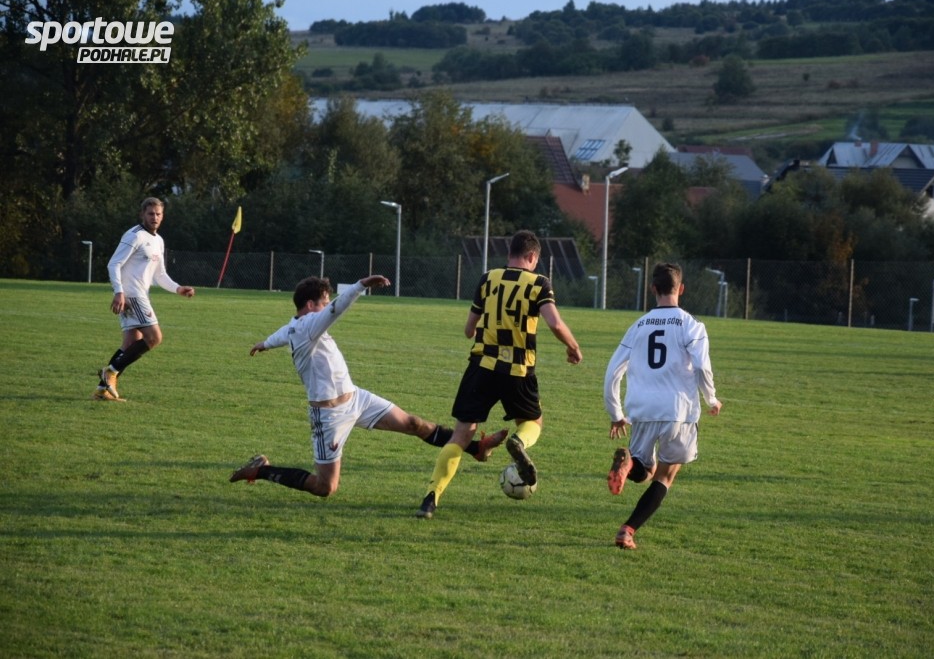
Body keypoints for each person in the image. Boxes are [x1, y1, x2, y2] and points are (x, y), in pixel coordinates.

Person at [230, 275, 506, 498]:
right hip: (329, 415)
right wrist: (361, 285)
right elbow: (337, 308)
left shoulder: (296, 327)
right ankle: (261, 470)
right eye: (323, 302)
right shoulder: (308, 326)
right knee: (325, 487)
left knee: (413, 423)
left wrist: (264, 344)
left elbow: (280, 334)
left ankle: (476, 448)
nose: (327, 306)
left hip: (356, 399)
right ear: (311, 305)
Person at [416, 230, 583, 519]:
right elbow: (555, 323)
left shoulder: (488, 278)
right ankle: (518, 442)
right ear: (532, 256)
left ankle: (431, 498)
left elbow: (469, 330)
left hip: (482, 366)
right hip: (518, 370)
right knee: (533, 422)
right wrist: (573, 347)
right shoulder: (539, 283)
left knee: (461, 435)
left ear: (510, 254)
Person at [603, 262, 722, 550]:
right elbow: (702, 366)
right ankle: (627, 531)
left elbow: (612, 371)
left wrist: (616, 413)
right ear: (681, 289)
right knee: (665, 476)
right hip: (678, 411)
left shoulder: (638, 326)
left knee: (644, 470)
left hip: (642, 409)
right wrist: (711, 398)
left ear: (653, 289)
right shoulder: (691, 325)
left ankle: (629, 464)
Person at [93, 196, 195, 401]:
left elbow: (160, 274)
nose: (154, 217)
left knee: (131, 342)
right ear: (142, 214)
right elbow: (113, 264)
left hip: (136, 294)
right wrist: (119, 292)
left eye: (158, 214)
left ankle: (102, 390)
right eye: (150, 214)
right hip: (132, 295)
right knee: (154, 337)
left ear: (162, 216)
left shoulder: (158, 241)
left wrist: (178, 289)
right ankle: (110, 372)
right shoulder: (135, 236)